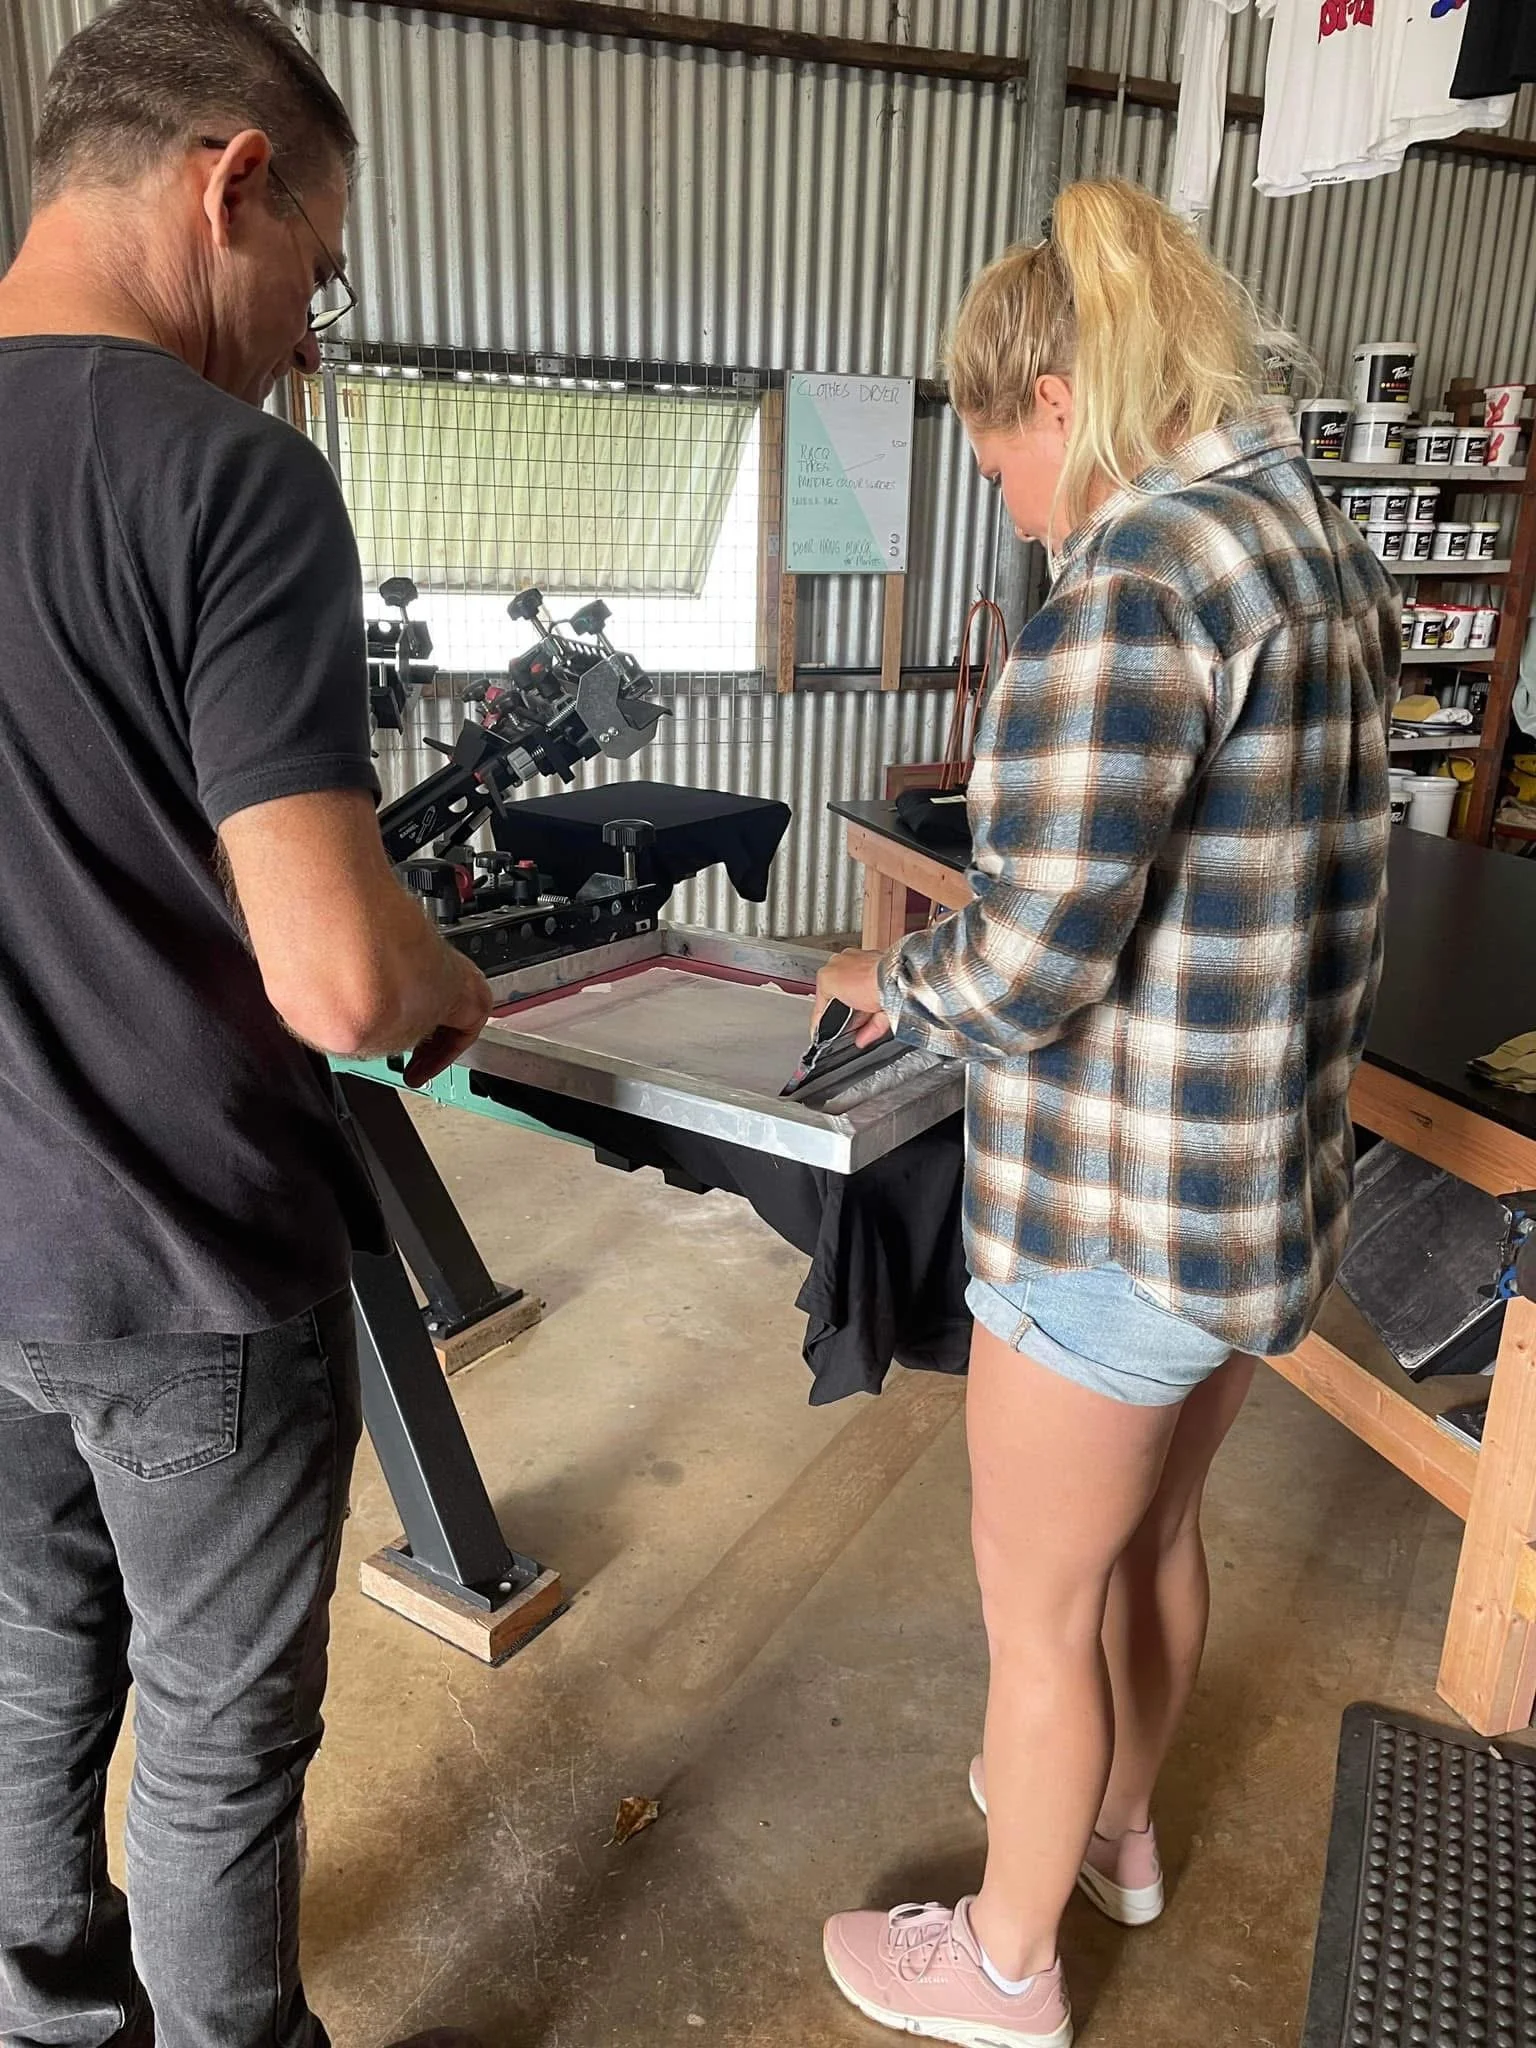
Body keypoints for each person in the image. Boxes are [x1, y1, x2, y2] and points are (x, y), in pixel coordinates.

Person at [816, 178, 1396, 2046]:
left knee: (1036, 1609)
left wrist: (887, 982)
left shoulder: (1133, 587)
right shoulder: (1318, 552)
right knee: (1158, 1542)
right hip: (1254, 1203)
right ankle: (1123, 1836)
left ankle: (999, 1966)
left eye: (996, 459)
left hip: (1104, 1218)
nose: (1007, 499)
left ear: (1057, 399)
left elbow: (1032, 961)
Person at [0, 3, 491, 2043]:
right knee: (213, 1724)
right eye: (317, 269)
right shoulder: (234, 484)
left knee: (27, 1671)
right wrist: (446, 977)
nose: (302, 330)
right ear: (232, 179)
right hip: (183, 1258)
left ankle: (45, 2018)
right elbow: (343, 982)